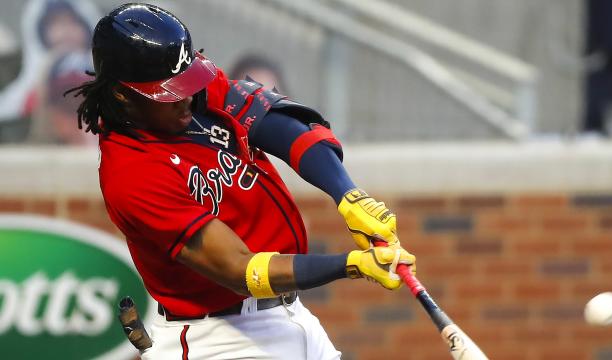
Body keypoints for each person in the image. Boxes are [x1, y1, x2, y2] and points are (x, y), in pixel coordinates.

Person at [68, 4, 416, 359]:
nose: (187, 96)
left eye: (187, 81)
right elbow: (241, 270)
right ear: (122, 94)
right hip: (219, 338)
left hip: (290, 316)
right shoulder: (131, 173)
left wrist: (348, 196)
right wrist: (351, 265)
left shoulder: (194, 95)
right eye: (170, 91)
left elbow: (279, 124)